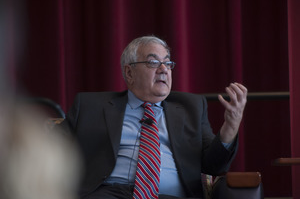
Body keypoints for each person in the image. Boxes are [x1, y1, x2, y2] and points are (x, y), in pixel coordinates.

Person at [60, 35, 247, 199]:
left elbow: (213, 166)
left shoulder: (191, 108)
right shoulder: (90, 106)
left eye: (167, 63)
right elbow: (49, 147)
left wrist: (230, 126)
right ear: (129, 72)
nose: (163, 69)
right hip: (108, 193)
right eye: (153, 62)